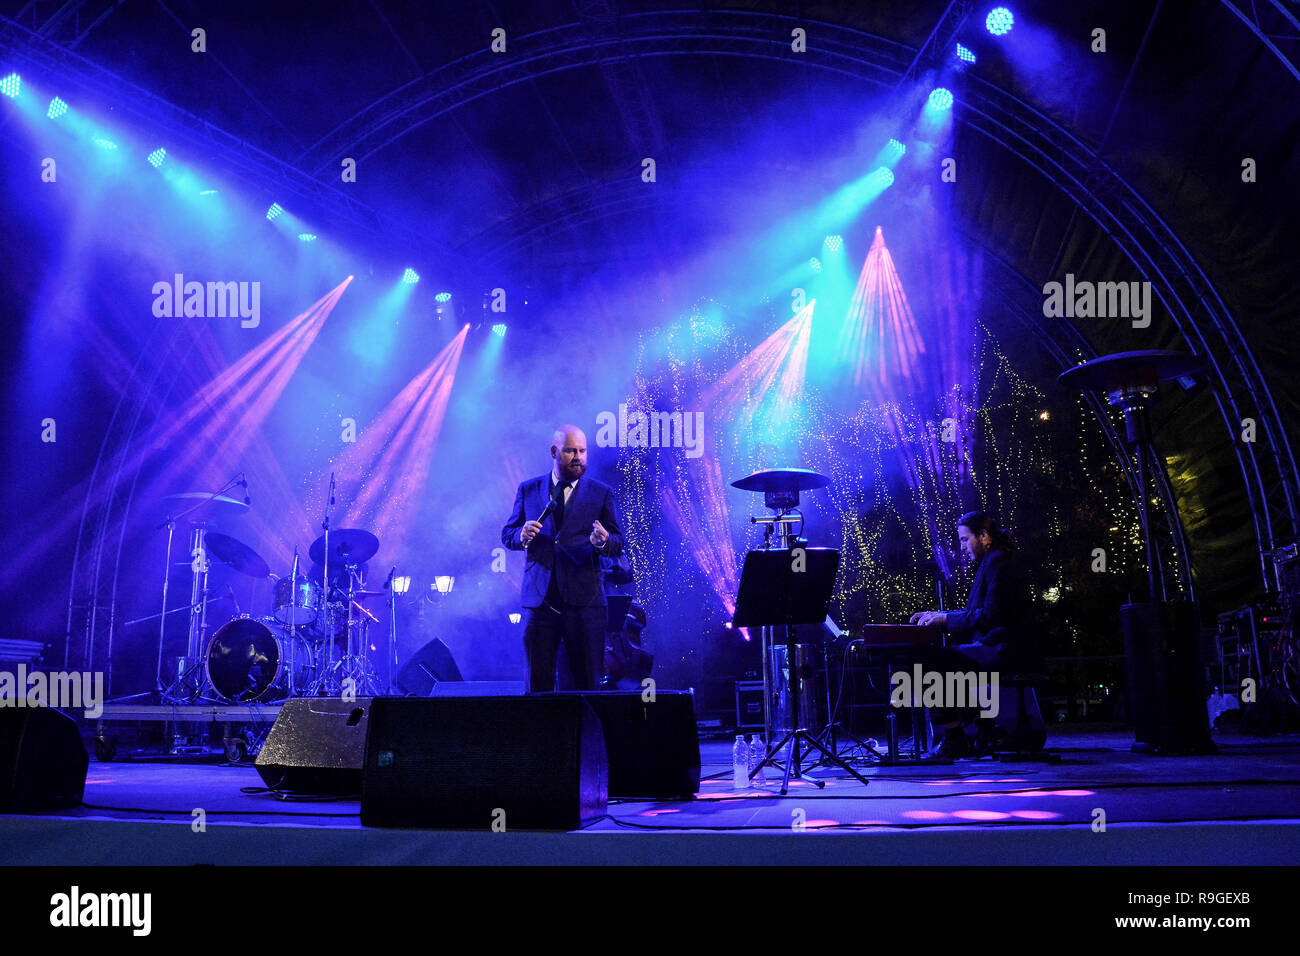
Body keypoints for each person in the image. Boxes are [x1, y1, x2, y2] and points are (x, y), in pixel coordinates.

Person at [501, 425, 626, 692]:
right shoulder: (529, 490)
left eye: (582, 451)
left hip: (585, 604)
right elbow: (507, 534)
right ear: (554, 452)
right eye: (570, 451)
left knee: (584, 685)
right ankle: (542, 735)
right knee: (538, 684)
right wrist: (520, 536)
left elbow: (617, 543)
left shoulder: (600, 492)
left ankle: (583, 735)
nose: (578, 457)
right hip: (541, 601)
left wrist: (603, 542)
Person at [908, 511, 1033, 758]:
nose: (962, 547)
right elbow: (974, 612)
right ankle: (985, 729)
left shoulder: (998, 561)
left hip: (1005, 647)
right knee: (943, 661)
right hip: (997, 645)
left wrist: (943, 619)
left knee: (927, 664)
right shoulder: (994, 560)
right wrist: (937, 614)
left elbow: (990, 615)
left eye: (965, 540)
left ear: (984, 536)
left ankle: (957, 738)